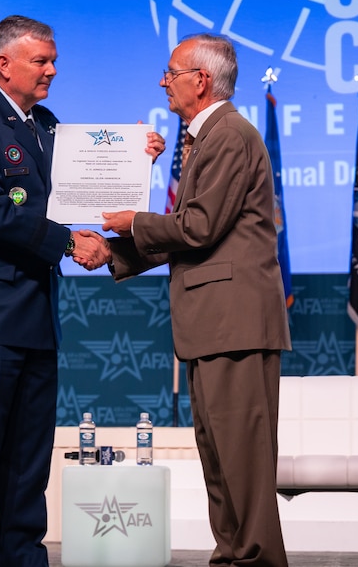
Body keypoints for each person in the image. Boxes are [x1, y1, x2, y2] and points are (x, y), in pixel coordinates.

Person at [0, 14, 162, 567]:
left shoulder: (49, 125)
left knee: (28, 457)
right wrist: (66, 244)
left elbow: (78, 196)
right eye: (41, 61)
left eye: (54, 60)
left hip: (36, 315)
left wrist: (137, 158)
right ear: (3, 63)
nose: (52, 71)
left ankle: (23, 557)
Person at [100, 33, 292, 567]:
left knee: (243, 464)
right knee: (220, 459)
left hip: (235, 323)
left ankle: (254, 559)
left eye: (171, 72)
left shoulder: (229, 134)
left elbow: (198, 228)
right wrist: (114, 253)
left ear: (200, 80)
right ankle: (232, 556)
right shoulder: (203, 139)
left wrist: (130, 224)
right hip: (214, 325)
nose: (164, 81)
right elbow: (190, 233)